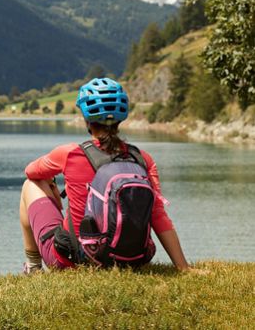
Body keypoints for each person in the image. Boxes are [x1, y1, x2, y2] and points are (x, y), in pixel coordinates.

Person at [19, 77, 189, 273]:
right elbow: (158, 215)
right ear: (121, 118)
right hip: (132, 261)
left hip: (74, 260)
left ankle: (33, 267)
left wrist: (51, 181)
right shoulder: (142, 159)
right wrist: (182, 267)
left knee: (29, 185)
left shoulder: (69, 154)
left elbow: (31, 171)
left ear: (85, 118)